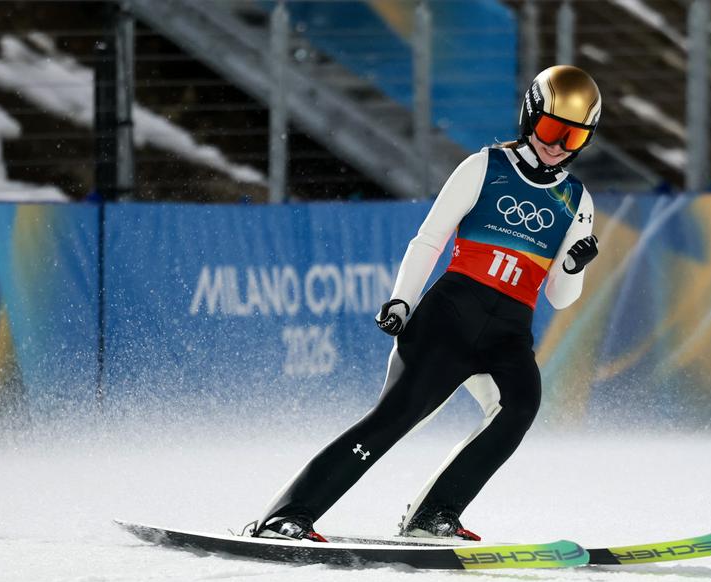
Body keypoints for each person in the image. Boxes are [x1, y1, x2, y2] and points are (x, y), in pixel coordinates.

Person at [252, 65, 603, 542]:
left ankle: (433, 516)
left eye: (573, 137)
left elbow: (561, 297)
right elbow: (429, 240)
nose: (558, 145)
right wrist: (402, 300)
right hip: (448, 319)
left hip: (508, 333)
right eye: (550, 129)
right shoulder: (484, 167)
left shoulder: (577, 201)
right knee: (393, 420)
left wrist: (573, 267)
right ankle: (285, 516)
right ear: (529, 117)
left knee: (520, 407)